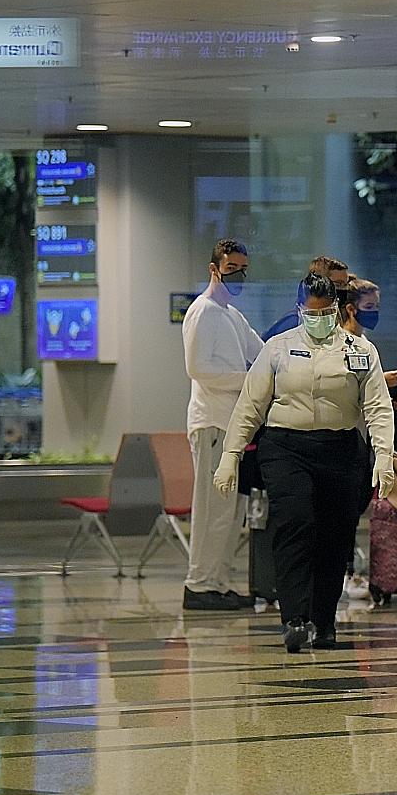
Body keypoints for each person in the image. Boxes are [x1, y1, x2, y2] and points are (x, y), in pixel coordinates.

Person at [215, 273, 395, 652]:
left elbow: (378, 406)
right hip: (286, 448)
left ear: (337, 310)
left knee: (335, 535)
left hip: (341, 449)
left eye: (326, 311)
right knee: (295, 525)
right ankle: (294, 618)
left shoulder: (359, 350)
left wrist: (383, 456)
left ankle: (324, 620)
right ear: (299, 310)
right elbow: (251, 405)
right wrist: (230, 455)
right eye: (311, 312)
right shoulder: (277, 348)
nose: (319, 318)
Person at [181, 238, 264, 611]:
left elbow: (259, 353)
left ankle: (217, 581)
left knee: (229, 512)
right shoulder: (203, 311)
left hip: (233, 427)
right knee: (213, 508)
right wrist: (246, 379)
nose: (238, 275)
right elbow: (198, 369)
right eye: (231, 268)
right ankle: (199, 584)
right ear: (214, 269)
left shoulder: (231, 314)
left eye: (243, 268)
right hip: (212, 423)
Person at [337, 276, 397, 602]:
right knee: (344, 513)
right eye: (369, 307)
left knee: (355, 507)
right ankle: (345, 572)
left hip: (363, 440)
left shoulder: (367, 348)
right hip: (343, 438)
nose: (374, 313)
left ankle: (348, 571)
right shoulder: (341, 344)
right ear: (350, 308)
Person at [261, 255, 351, 341]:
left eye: (346, 285)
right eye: (338, 284)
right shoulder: (293, 322)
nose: (344, 289)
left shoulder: (337, 319)